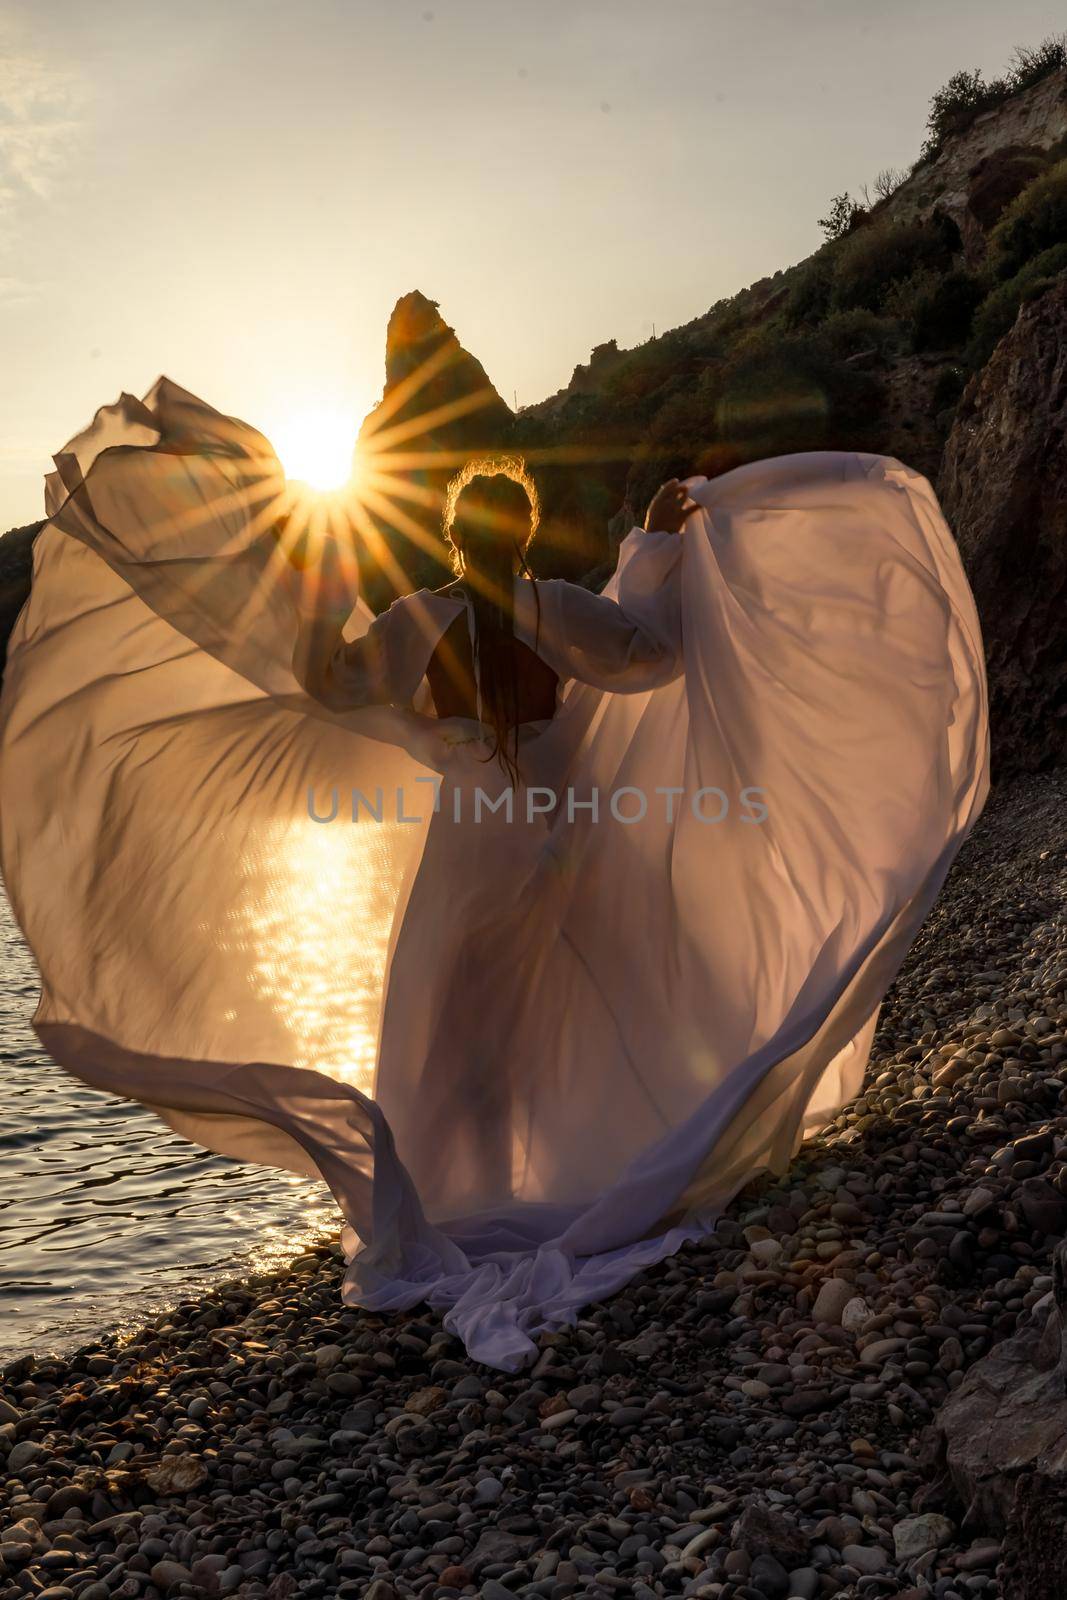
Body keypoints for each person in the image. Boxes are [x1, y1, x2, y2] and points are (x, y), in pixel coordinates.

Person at [0, 378, 989, 1372]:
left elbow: (331, 684)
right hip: (562, 829)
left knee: (458, 1015)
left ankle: (464, 1197)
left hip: (474, 842)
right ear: (520, 531)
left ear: (451, 536)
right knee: (596, 998)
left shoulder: (420, 619)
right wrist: (651, 552)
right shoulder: (552, 606)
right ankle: (620, 1155)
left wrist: (302, 585)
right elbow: (648, 661)